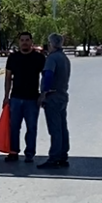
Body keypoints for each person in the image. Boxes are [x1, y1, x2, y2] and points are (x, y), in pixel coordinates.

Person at [3, 32, 46, 163]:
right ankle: (14, 152)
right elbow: (8, 78)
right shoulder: (13, 58)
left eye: (27, 40)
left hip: (32, 99)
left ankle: (30, 153)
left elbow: (46, 77)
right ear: (19, 42)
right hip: (15, 98)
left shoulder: (39, 58)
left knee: (31, 128)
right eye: (22, 40)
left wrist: (43, 94)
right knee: (14, 127)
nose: (25, 42)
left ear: (31, 42)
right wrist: (6, 97)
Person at [37, 33, 71, 169]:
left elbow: (48, 75)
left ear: (51, 44)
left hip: (53, 96)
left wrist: (43, 93)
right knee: (63, 127)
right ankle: (63, 154)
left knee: (55, 128)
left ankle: (54, 157)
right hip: (63, 95)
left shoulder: (52, 58)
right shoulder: (64, 58)